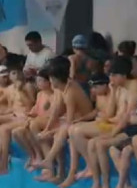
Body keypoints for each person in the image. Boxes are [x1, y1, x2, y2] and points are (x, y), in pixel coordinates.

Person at [37, 56, 94, 184]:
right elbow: (56, 112)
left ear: (56, 78)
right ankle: (58, 171)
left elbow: (69, 122)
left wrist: (50, 132)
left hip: (84, 122)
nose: (49, 81)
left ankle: (55, 165)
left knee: (61, 134)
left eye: (51, 78)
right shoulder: (61, 88)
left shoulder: (70, 92)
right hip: (75, 122)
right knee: (54, 132)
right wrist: (47, 129)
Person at [89, 56, 137, 188]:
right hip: (124, 127)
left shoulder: (134, 87)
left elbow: (127, 117)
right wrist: (112, 90)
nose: (110, 80)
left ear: (123, 75)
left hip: (133, 129)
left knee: (101, 144)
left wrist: (113, 132)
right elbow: (112, 113)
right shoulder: (120, 87)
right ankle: (103, 183)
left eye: (113, 75)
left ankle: (106, 184)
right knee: (94, 142)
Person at [58, 72, 118, 188]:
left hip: (110, 127)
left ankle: (91, 165)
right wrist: (81, 119)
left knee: (76, 131)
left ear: (106, 85)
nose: (93, 90)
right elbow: (96, 111)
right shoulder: (99, 95)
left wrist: (102, 116)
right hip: (100, 123)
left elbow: (110, 114)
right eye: (92, 88)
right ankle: (88, 167)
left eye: (96, 87)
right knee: (72, 130)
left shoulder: (112, 94)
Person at [0, 67, 34, 177]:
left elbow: (31, 105)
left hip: (25, 115)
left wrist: (20, 91)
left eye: (14, 73)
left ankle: (2, 163)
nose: (12, 75)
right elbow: (11, 106)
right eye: (11, 73)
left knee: (3, 129)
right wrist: (1, 112)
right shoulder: (10, 88)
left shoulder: (28, 87)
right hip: (14, 114)